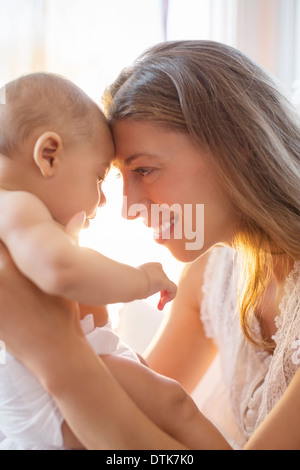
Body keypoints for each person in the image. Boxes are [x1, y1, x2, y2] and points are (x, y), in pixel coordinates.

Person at [1, 39, 300, 449]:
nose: (128, 207)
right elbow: (143, 418)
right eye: (118, 178)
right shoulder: (213, 275)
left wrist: (59, 357)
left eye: (145, 169)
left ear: (236, 143)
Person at [0, 72, 206, 450]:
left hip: (45, 385)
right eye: (99, 177)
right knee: (174, 405)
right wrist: (143, 279)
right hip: (52, 388)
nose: (107, 200)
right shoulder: (15, 206)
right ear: (49, 155)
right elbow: (59, 269)